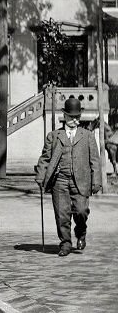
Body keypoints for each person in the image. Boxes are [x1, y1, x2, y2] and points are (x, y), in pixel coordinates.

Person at [34, 96, 102, 256]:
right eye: (72, 117)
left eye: (77, 117)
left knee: (81, 211)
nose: (75, 120)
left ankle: (81, 232)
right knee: (62, 214)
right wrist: (40, 176)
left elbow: (95, 161)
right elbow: (45, 158)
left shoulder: (87, 136)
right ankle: (65, 244)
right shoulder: (54, 136)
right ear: (64, 116)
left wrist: (96, 180)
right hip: (60, 180)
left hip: (81, 180)